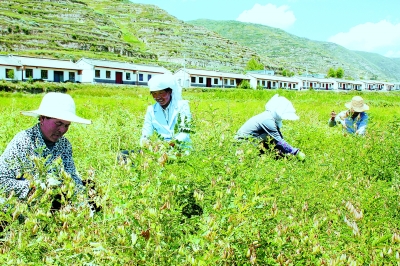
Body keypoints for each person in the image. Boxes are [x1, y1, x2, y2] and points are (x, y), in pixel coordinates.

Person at [0, 92, 91, 202]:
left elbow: (71, 175)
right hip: (23, 206)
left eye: (66, 125)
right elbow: (2, 180)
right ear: (42, 118)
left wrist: (81, 192)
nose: (62, 130)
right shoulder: (24, 141)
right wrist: (38, 188)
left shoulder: (64, 145)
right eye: (58, 123)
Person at [234, 94, 306, 160]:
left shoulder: (269, 117)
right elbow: (279, 141)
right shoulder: (267, 120)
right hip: (242, 143)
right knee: (272, 144)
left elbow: (279, 136)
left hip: (250, 141)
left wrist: (285, 151)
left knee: (273, 144)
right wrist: (296, 152)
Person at [140, 73, 192, 150]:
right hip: (160, 149)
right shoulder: (151, 110)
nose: (158, 97)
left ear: (170, 91)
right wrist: (145, 142)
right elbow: (146, 133)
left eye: (161, 93)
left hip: (180, 148)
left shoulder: (182, 106)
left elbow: (184, 133)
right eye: (154, 94)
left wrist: (168, 144)